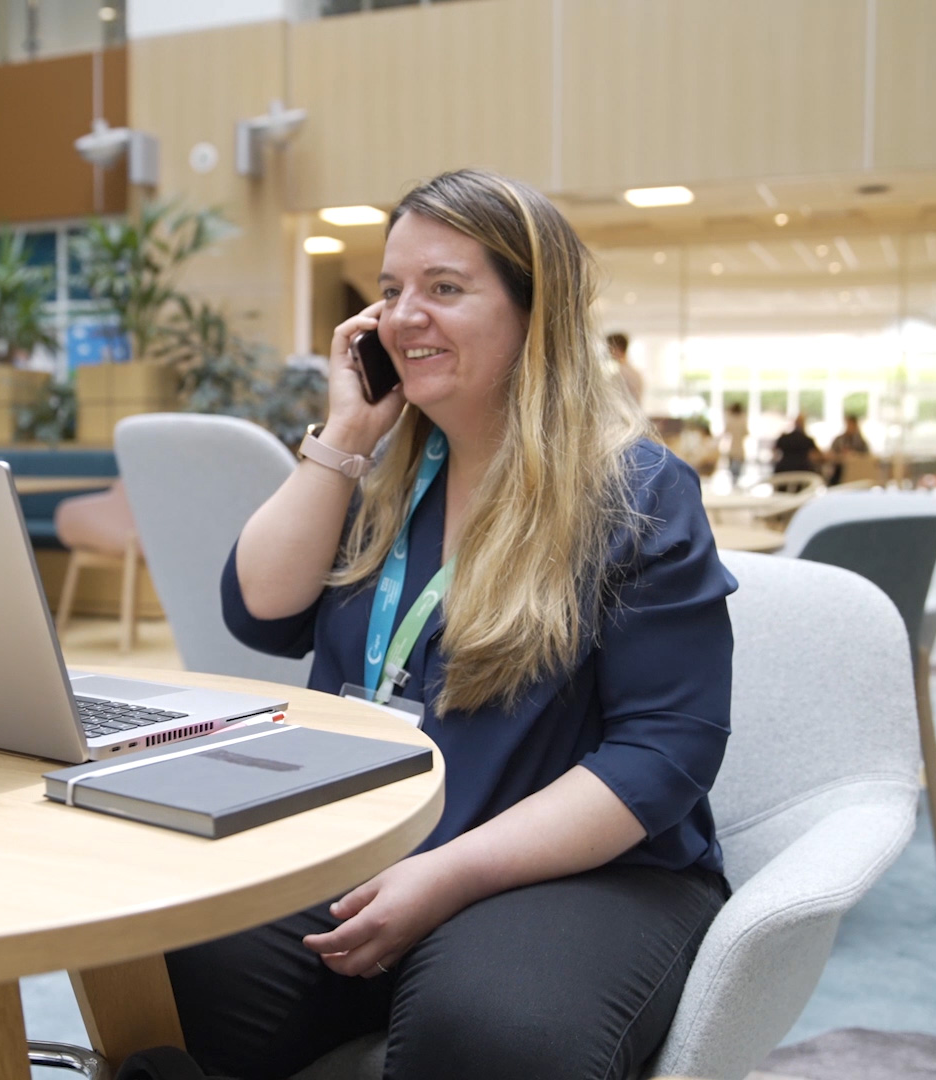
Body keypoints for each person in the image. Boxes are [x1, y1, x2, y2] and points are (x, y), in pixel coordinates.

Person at [168, 170, 734, 1080]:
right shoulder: (380, 478)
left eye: (444, 288)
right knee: (178, 951)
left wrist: (451, 874)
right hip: (367, 835)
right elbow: (260, 613)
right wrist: (347, 435)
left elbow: (664, 753)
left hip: (577, 871)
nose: (402, 316)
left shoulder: (635, 493)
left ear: (533, 314)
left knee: (490, 1033)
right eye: (390, 291)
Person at [770, 412, 822, 481]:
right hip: (804, 473)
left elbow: (774, 451)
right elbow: (818, 455)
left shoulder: (784, 438)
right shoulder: (807, 440)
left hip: (783, 471)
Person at [827, 413, 870, 485]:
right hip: (840, 471)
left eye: (852, 424)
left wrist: (854, 455)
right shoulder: (839, 440)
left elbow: (866, 456)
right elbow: (830, 455)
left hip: (857, 472)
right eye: (849, 424)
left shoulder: (861, 442)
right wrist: (841, 457)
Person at [607, 331, 644, 405]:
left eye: (610, 348)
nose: (609, 352)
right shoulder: (635, 373)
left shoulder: (621, 374)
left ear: (617, 349)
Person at [723, 400, 750, 489]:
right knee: (737, 472)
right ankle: (735, 485)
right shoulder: (743, 419)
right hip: (739, 449)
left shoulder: (730, 419)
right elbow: (746, 433)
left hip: (732, 448)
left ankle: (734, 485)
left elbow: (726, 431)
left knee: (733, 472)